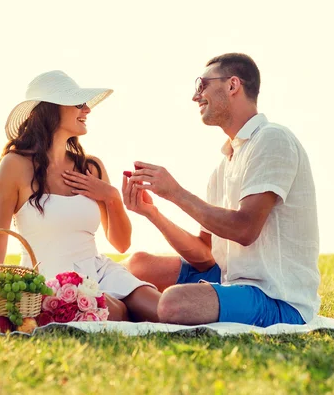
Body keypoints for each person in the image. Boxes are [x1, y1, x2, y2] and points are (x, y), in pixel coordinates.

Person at [122, 53, 321, 327]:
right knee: (139, 265)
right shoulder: (223, 166)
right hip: (231, 281)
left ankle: (129, 309)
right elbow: (205, 254)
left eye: (202, 84)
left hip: (277, 298)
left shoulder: (272, 139)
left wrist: (176, 193)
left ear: (232, 85)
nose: (196, 96)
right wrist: (152, 212)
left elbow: (245, 229)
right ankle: (135, 306)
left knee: (173, 303)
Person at [0, 70, 161, 322]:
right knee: (119, 312)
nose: (86, 109)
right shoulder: (14, 165)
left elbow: (122, 244)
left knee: (165, 309)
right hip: (52, 281)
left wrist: (111, 197)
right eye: (78, 103)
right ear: (50, 109)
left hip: (99, 269)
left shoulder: (91, 167)